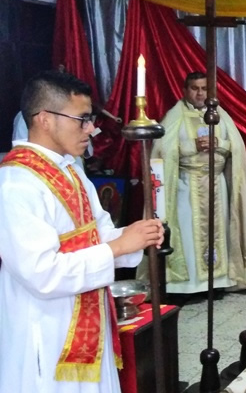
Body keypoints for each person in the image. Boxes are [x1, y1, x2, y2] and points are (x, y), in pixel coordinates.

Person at [0, 70, 164, 392]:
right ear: (45, 119)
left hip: (89, 316)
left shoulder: (71, 172)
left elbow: (98, 235)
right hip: (45, 329)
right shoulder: (15, 184)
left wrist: (135, 236)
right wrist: (118, 247)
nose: (91, 128)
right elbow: (42, 273)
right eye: (82, 119)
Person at [150, 71, 246, 297]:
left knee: (219, 234)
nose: (200, 93)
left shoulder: (220, 115)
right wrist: (193, 146)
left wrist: (218, 143)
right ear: (185, 90)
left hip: (217, 184)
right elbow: (162, 151)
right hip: (186, 185)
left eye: (204, 89)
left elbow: (236, 147)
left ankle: (216, 283)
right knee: (189, 236)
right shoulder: (175, 116)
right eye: (195, 88)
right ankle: (189, 286)